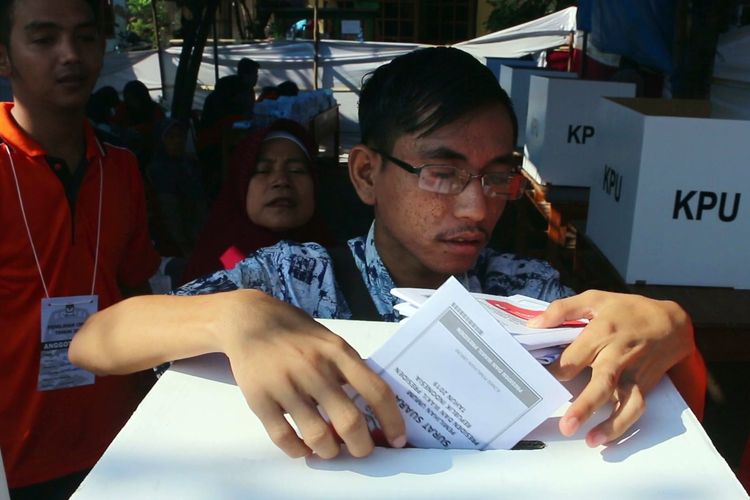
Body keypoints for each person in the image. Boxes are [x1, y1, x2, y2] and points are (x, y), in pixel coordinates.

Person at [69, 47, 705, 461]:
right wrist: (230, 316)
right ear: (368, 174)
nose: (476, 208)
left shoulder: (535, 297)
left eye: (496, 175)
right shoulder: (298, 281)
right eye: (442, 173)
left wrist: (671, 332)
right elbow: (95, 340)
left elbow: (663, 415)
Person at [0, 0, 160, 497]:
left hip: (120, 446)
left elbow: (135, 288)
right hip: (15, 459)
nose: (70, 55)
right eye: (44, 39)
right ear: (3, 57)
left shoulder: (122, 169)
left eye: (86, 38)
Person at [183, 118, 334, 283]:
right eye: (263, 170)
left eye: (296, 170)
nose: (281, 180)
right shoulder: (214, 267)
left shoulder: (338, 265)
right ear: (240, 189)